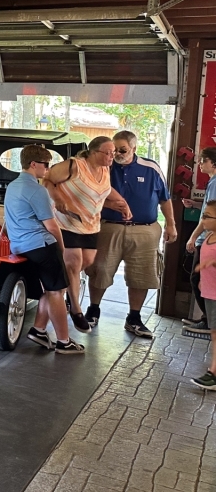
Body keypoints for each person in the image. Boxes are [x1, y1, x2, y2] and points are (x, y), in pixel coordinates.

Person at [85, 130, 176, 338]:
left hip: (144, 230)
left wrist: (171, 225)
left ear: (134, 148)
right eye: (114, 150)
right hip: (109, 228)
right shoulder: (102, 167)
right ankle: (93, 310)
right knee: (99, 270)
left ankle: (134, 317)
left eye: (122, 150)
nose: (116, 154)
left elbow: (165, 198)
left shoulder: (151, 168)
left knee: (141, 275)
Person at [43, 136, 132, 334]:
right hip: (66, 221)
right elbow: (47, 179)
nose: (112, 156)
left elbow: (104, 192)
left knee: (87, 261)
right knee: (74, 263)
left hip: (90, 224)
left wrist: (122, 204)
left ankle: (64, 287)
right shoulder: (75, 166)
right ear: (93, 152)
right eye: (107, 152)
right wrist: (57, 198)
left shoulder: (105, 170)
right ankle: (76, 310)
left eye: (113, 153)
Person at [4, 144, 83, 354]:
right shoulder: (37, 190)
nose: (47, 170)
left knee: (48, 290)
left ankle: (39, 330)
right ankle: (64, 342)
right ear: (33, 164)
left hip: (19, 246)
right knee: (57, 291)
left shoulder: (12, 186)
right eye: (46, 165)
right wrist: (62, 247)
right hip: (41, 244)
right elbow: (51, 225)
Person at [183, 147, 216, 333]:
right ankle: (207, 319)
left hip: (209, 238)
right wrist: (195, 204)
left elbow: (209, 216)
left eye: (203, 160)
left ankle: (209, 322)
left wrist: (193, 236)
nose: (200, 164)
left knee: (199, 278)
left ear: (213, 162)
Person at [190, 200, 216, 390]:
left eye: (207, 216)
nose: (203, 219)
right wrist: (203, 279)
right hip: (210, 292)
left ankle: (213, 373)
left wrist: (211, 264)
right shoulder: (209, 236)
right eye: (203, 215)